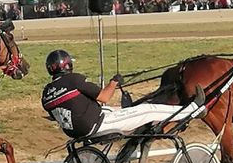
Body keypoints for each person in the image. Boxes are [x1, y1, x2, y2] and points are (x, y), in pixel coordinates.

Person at [41, 50, 207, 139]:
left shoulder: (46, 94)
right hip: (99, 125)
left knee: (114, 109)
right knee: (148, 109)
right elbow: (105, 97)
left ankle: (127, 111)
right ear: (67, 65)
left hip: (77, 132)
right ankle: (192, 110)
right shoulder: (74, 80)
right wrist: (114, 82)